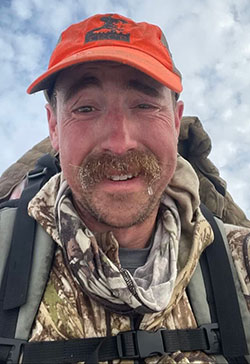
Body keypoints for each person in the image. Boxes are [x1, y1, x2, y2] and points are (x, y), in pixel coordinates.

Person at [0, 13, 249, 364]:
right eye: (86, 108)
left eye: (145, 105)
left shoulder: (242, 264)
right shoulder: (4, 250)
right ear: (54, 127)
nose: (119, 142)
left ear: (176, 122)